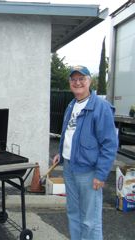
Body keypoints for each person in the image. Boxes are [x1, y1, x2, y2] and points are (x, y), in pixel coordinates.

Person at [52, 66, 118, 240]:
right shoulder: (71, 105)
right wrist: (61, 153)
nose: (78, 82)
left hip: (89, 172)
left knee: (90, 220)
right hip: (69, 167)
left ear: (90, 81)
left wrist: (101, 174)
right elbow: (68, 133)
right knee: (73, 213)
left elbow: (109, 144)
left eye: (82, 78)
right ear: (70, 83)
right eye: (74, 79)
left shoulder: (101, 107)